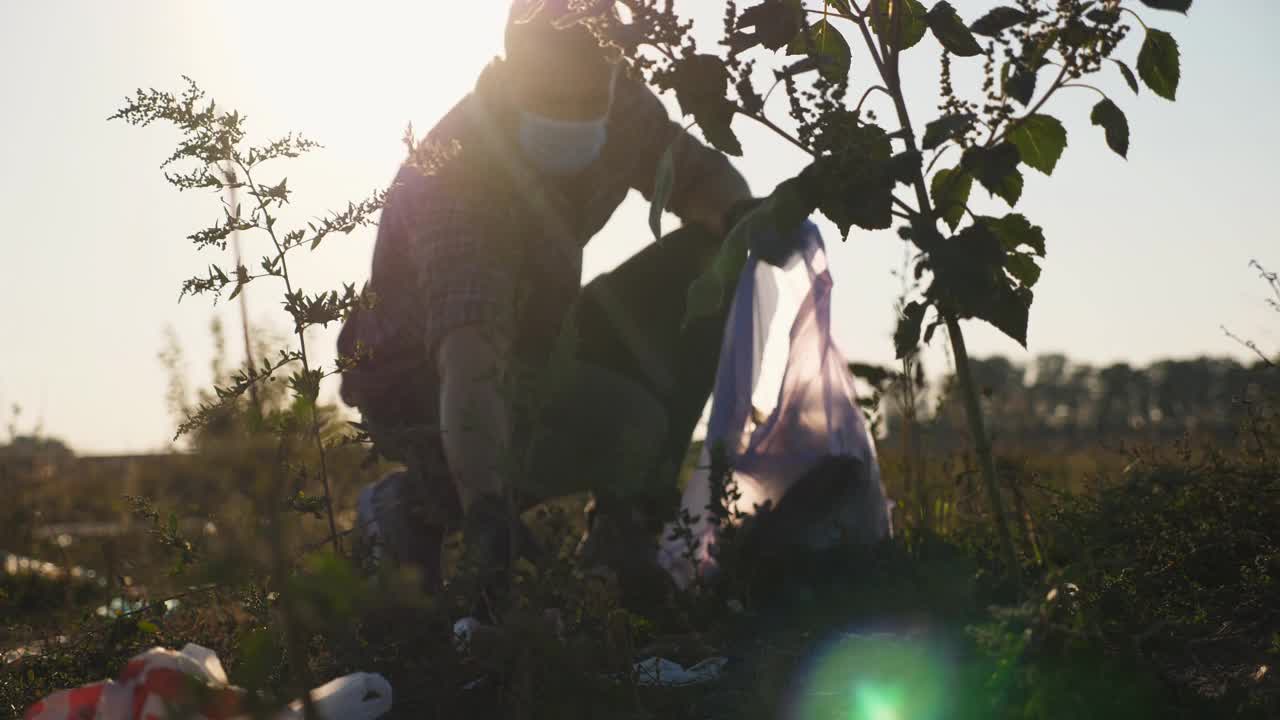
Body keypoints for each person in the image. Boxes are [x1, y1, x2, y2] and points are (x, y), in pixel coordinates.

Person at [336, 1, 757, 611]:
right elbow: (470, 364)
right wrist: (489, 516)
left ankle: (627, 529)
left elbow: (699, 179)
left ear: (613, 68)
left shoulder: (626, 109)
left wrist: (749, 222)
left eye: (585, 93)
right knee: (569, 437)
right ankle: (413, 505)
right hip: (418, 377)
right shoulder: (458, 176)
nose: (569, 111)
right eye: (550, 93)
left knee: (718, 257)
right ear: (511, 72)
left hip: (535, 333)